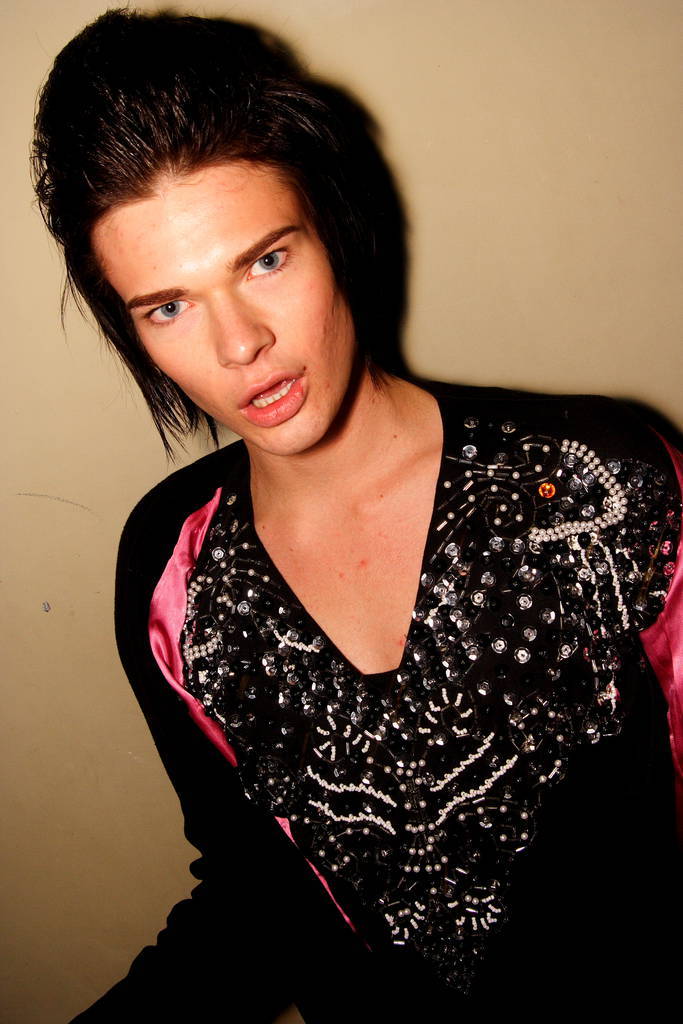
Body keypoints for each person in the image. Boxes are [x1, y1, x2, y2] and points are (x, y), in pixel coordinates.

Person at [33, 8, 683, 1022]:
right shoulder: (172, 576)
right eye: (168, 305)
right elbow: (256, 901)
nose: (239, 345)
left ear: (332, 228)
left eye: (264, 261)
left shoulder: (598, 483)